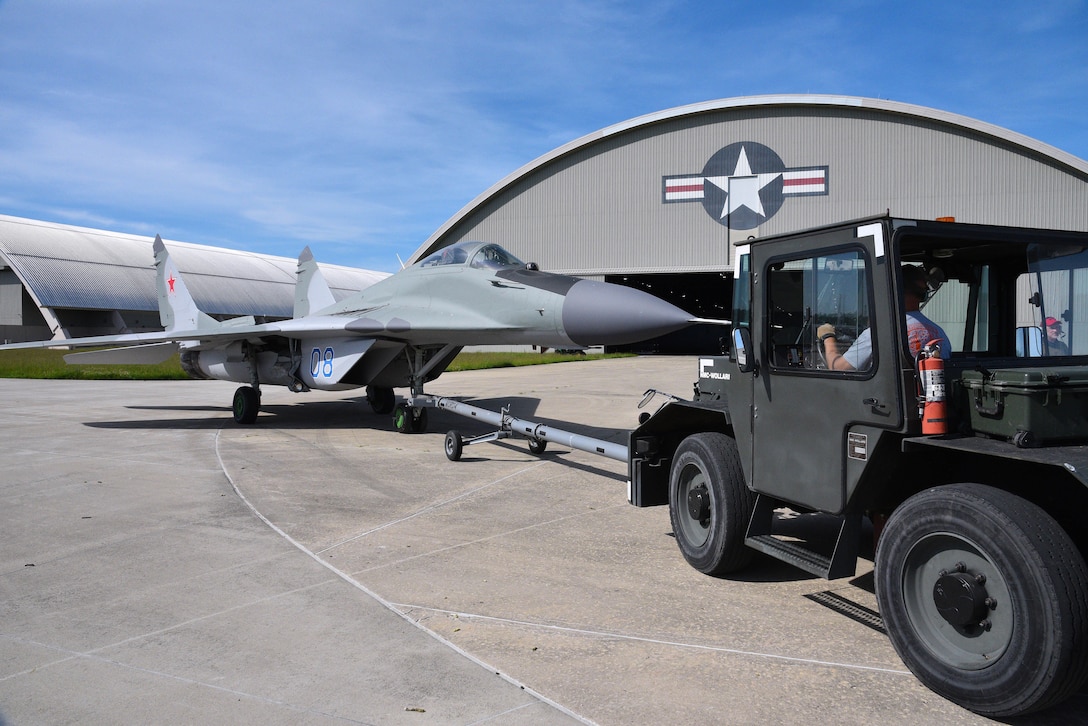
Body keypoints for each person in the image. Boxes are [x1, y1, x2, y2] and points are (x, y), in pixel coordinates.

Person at [817, 265, 949, 371]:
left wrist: (828, 337)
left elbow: (839, 368)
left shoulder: (879, 333)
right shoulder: (939, 333)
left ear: (893, 290)